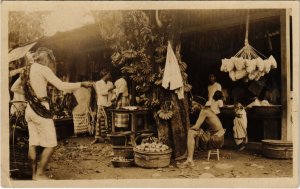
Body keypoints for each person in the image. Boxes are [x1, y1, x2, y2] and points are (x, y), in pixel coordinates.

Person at [10, 48, 92, 180]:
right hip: (40, 110)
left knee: (33, 143)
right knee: (51, 143)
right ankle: (40, 173)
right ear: (46, 59)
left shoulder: (26, 70)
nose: (49, 64)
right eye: (49, 61)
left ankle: (34, 174)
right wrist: (81, 84)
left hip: (30, 110)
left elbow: (14, 88)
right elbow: (61, 86)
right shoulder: (43, 69)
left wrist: (31, 97)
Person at [179, 98, 225, 167]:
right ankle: (188, 155)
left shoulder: (204, 111)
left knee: (190, 132)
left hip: (216, 139)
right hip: (218, 137)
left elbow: (196, 127)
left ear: (199, 105)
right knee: (193, 131)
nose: (192, 107)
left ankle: (189, 160)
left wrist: (189, 128)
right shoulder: (208, 110)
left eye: (194, 105)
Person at [91, 69, 115, 144]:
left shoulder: (110, 83)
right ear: (104, 75)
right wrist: (110, 89)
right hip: (101, 104)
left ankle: (108, 137)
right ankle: (97, 137)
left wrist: (114, 98)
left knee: (109, 121)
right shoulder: (98, 83)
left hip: (109, 104)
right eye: (108, 74)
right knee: (100, 121)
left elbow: (113, 92)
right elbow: (101, 93)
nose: (110, 76)